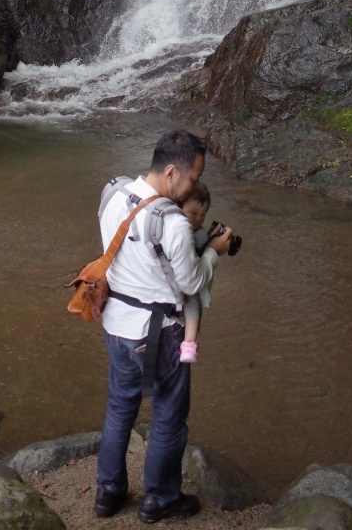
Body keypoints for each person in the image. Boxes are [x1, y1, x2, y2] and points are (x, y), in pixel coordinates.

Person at [95, 130, 234, 524]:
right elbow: (190, 283)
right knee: (168, 418)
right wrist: (213, 252)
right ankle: (159, 499)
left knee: (120, 409)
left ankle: (108, 492)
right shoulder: (172, 222)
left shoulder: (114, 193)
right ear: (172, 172)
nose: (194, 186)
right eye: (192, 178)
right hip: (158, 334)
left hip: (116, 325)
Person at [179, 182, 213, 363]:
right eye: (193, 213)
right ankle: (189, 343)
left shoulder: (199, 234)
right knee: (192, 300)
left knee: (192, 301)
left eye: (203, 215)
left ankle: (189, 345)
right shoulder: (178, 229)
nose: (199, 219)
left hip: (184, 281)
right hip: (181, 283)